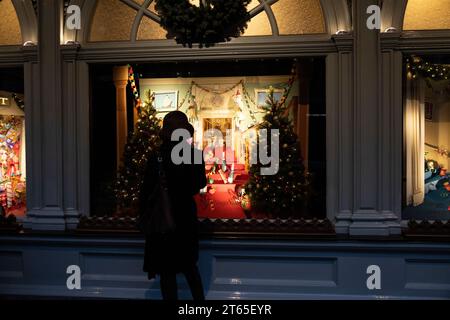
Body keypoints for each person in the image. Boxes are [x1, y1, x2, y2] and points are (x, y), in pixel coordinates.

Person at [139, 111, 207, 301]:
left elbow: (146, 192)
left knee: (166, 273)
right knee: (190, 269)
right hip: (184, 217)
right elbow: (199, 184)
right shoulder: (194, 155)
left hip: (163, 221)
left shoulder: (156, 157)